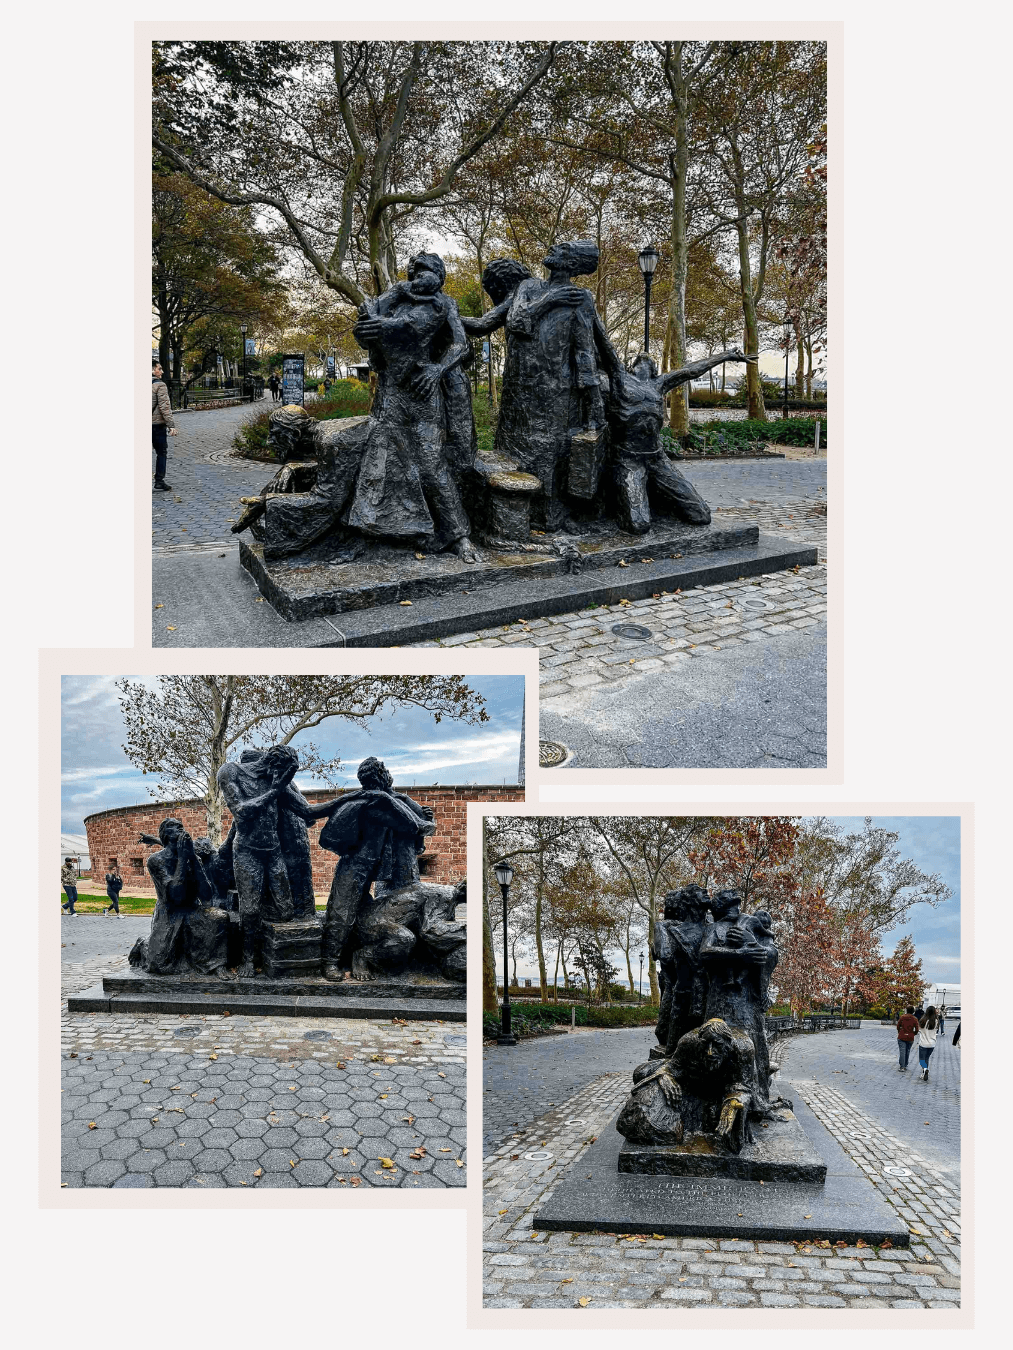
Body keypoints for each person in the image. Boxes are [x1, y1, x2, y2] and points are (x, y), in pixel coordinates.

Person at [151, 359, 178, 491]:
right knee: (161, 452)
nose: (161, 372)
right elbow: (164, 407)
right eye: (159, 369)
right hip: (156, 424)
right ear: (151, 370)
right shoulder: (160, 385)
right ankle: (159, 481)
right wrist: (171, 425)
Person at [917, 1005, 938, 1080]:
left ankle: (925, 1070)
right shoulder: (936, 1021)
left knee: (921, 1060)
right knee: (926, 1058)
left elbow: (919, 1029)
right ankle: (924, 1072)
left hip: (923, 1043)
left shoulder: (923, 1020)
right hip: (932, 1043)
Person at [896, 1005, 919, 1070]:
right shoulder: (915, 1019)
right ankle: (905, 1064)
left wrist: (899, 1032)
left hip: (902, 1036)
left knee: (902, 1051)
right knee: (907, 1050)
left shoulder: (902, 1017)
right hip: (910, 1037)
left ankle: (902, 1066)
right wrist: (913, 1034)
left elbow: (898, 1026)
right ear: (913, 1011)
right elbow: (917, 1029)